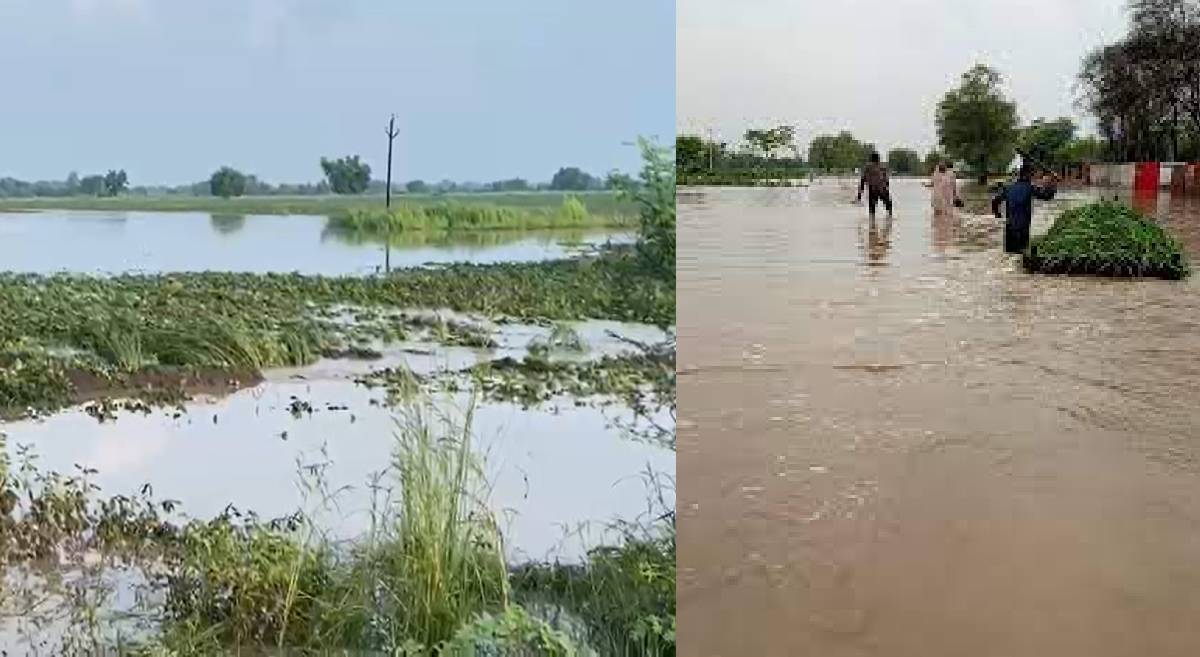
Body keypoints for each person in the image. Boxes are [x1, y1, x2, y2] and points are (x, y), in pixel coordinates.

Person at [991, 163, 1058, 253]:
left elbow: (995, 201)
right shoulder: (1030, 188)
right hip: (1023, 229)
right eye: (1032, 174)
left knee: (1009, 255)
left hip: (1010, 228)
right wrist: (1053, 183)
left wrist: (997, 214)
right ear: (1029, 175)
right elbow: (1047, 196)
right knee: (1021, 254)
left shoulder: (1009, 188)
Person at [856, 152, 892, 219]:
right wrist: (887, 187)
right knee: (889, 205)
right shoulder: (882, 167)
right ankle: (889, 219)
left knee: (872, 210)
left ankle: (872, 224)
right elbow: (886, 180)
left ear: (871, 159)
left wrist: (859, 195)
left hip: (872, 190)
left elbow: (862, 180)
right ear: (878, 159)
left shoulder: (867, 167)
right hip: (882, 189)